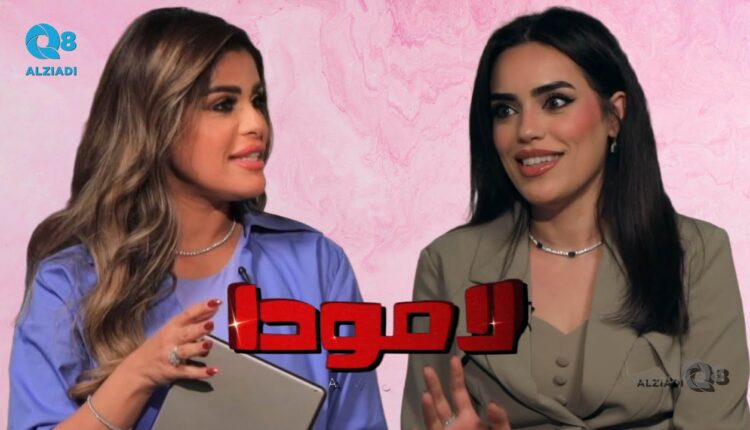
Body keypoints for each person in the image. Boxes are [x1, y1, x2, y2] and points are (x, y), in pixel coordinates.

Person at [9, 7, 386, 430]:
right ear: (155, 120)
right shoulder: (68, 284)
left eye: (258, 100)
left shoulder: (318, 264)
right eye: (223, 104)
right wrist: (137, 376)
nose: (256, 124)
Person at [401, 7, 749, 430]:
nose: (526, 130)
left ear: (614, 116)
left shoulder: (696, 253)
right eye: (505, 110)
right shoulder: (446, 263)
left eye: (555, 102)